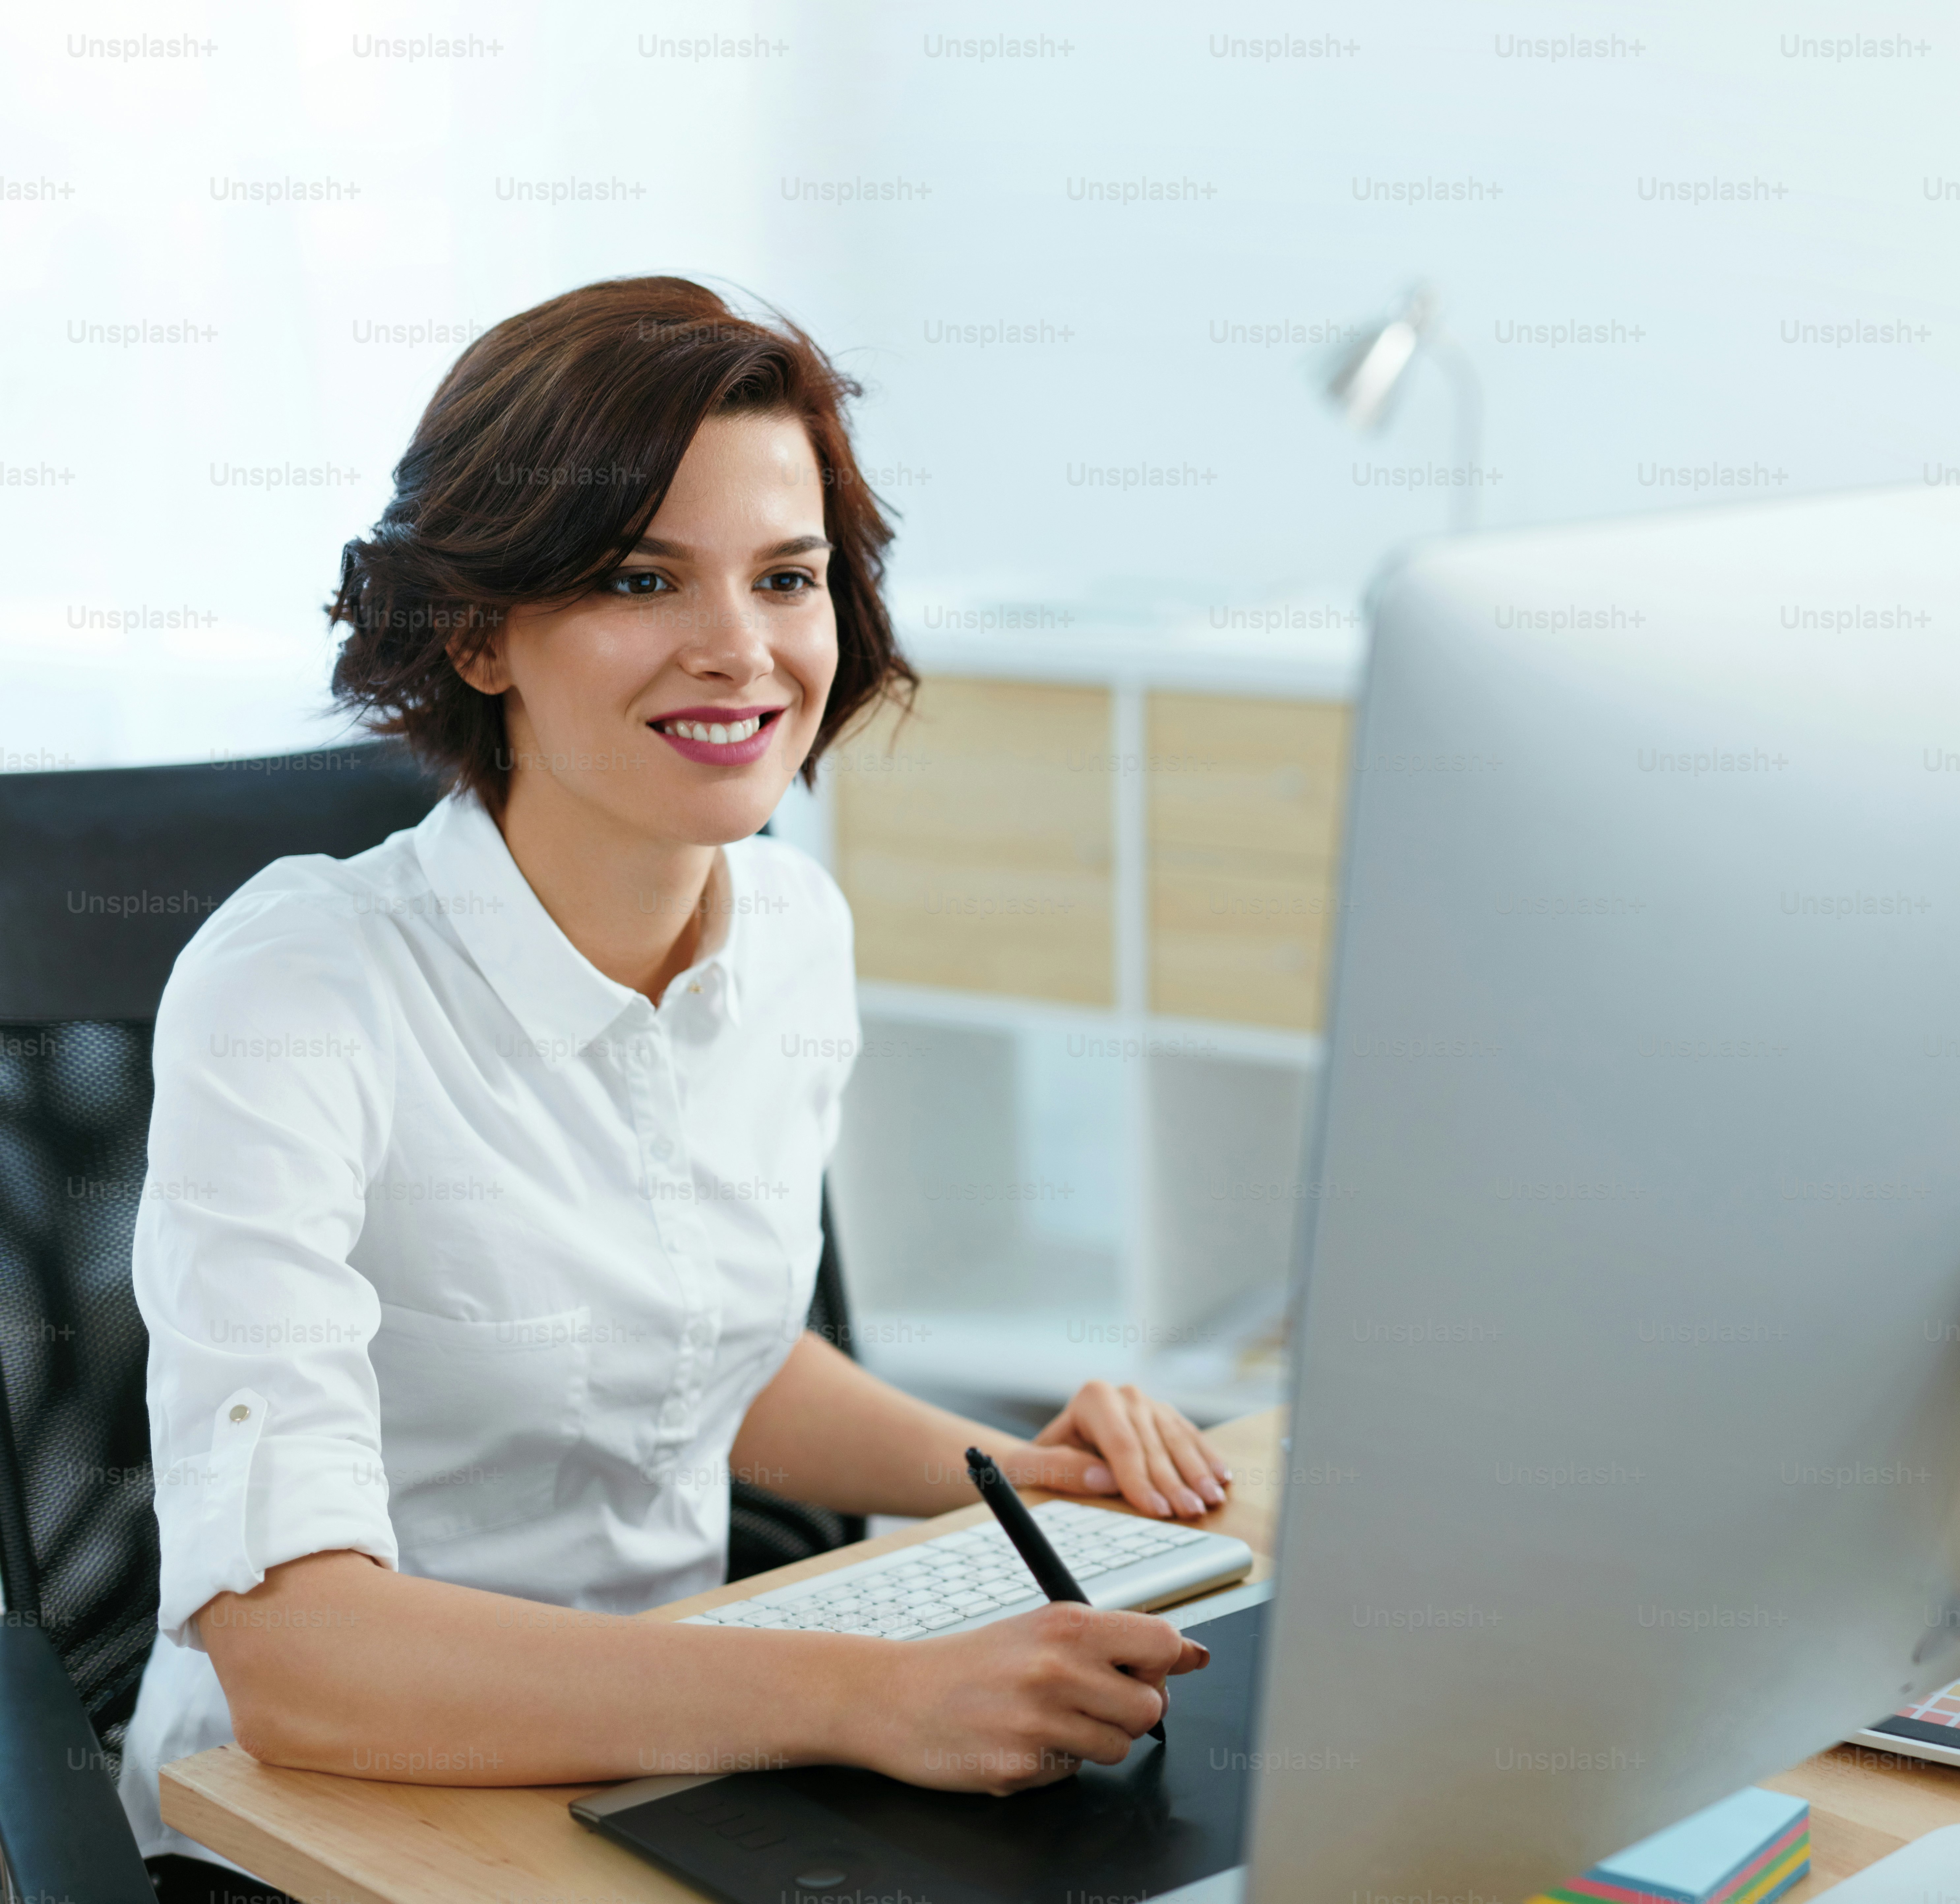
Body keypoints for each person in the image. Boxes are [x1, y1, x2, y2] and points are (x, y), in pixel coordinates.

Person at [121, 277, 1225, 1896]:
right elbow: (297, 1657)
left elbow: (701, 1356)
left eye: (786, 577)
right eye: (641, 577)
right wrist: (860, 1698)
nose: (742, 648)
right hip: (333, 1812)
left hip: (675, 1745)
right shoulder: (296, 985)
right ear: (476, 630)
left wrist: (1008, 1469)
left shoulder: (790, 929)